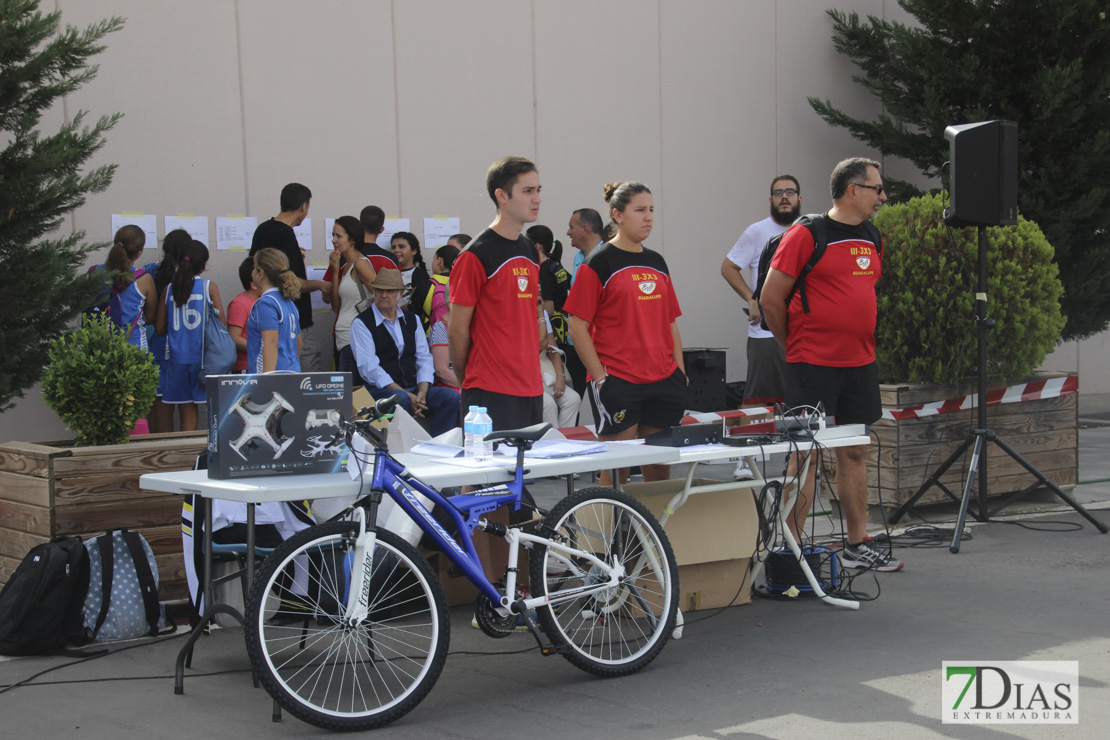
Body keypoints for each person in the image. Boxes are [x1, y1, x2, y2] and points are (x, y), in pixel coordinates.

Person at [760, 156, 902, 572]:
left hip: (860, 364)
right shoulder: (808, 232)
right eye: (877, 188)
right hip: (813, 365)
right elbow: (771, 299)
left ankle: (857, 544)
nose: (883, 196)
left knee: (854, 451)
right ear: (853, 189)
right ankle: (789, 551)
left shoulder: (872, 236)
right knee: (804, 455)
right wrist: (795, 348)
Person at [448, 156, 544, 586]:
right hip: (489, 391)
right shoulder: (476, 256)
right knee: (483, 494)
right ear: (501, 196)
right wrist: (474, 379)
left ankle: (516, 587)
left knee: (514, 496)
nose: (537, 198)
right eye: (527, 190)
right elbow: (457, 332)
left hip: (528, 389)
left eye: (539, 189)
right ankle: (487, 591)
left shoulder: (527, 249)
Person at [565, 182, 686, 484]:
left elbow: (670, 322)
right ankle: (607, 532)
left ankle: (650, 533)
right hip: (619, 380)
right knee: (618, 470)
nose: (648, 217)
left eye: (652, 210)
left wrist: (680, 373)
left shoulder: (657, 262)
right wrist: (601, 378)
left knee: (659, 471)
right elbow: (577, 327)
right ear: (617, 215)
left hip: (663, 379)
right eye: (640, 210)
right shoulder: (598, 262)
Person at [720, 174, 801, 480]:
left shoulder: (808, 229)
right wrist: (751, 298)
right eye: (778, 193)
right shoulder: (756, 232)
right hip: (766, 333)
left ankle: (802, 462)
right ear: (770, 200)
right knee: (757, 399)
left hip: (803, 332)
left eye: (790, 192)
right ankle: (743, 458)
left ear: (799, 198)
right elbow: (728, 267)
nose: (784, 197)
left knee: (802, 399)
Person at [350, 269, 459, 436]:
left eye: (390, 291)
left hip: (413, 387)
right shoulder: (362, 323)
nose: (384, 295)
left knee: (450, 398)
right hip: (379, 390)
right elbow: (370, 368)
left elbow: (423, 358)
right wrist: (406, 394)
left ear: (400, 294)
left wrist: (422, 392)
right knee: (400, 400)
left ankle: (441, 447)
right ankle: (398, 452)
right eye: (379, 290)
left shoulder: (412, 319)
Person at [249, 183, 330, 371]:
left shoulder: (263, 229)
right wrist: (320, 284)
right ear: (304, 206)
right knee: (307, 380)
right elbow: (292, 280)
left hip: (271, 323)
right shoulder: (285, 234)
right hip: (295, 322)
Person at [154, 239, 223, 431]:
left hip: (176, 359)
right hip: (202, 359)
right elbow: (221, 324)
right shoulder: (209, 287)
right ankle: (192, 458)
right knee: (195, 416)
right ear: (204, 265)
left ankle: (176, 458)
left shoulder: (169, 289)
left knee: (186, 409)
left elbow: (159, 328)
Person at [144, 229, 191, 432]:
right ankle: (171, 452)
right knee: (174, 402)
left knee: (156, 402)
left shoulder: (149, 271)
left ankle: (155, 448)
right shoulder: (188, 277)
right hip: (179, 346)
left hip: (154, 342)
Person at [88, 224, 157, 350]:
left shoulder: (93, 272)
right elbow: (151, 317)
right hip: (133, 348)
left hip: (99, 346)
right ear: (139, 253)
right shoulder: (143, 279)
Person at [564, 208, 605, 419]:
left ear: (585, 229)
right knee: (576, 400)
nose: (568, 232)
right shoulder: (579, 258)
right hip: (575, 343)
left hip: (598, 348)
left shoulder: (607, 258)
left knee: (604, 405)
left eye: (571, 227)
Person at [329, 216, 377, 384]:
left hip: (354, 338)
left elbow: (381, 295)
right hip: (343, 338)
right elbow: (336, 306)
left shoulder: (360, 264)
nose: (334, 240)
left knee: (349, 393)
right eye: (333, 235)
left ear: (353, 239)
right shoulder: (346, 265)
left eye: (339, 236)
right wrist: (335, 271)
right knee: (346, 392)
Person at [247, 248, 302, 373]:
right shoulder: (290, 303)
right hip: (293, 372)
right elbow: (299, 343)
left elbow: (271, 342)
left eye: (254, 268)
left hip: (272, 376)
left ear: (260, 273)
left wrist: (267, 379)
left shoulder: (266, 303)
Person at [540, 309, 581, 428]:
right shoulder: (516, 308)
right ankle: (553, 442)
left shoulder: (542, 312)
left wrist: (560, 377)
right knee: (548, 404)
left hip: (543, 368)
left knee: (573, 399)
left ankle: (563, 441)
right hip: (523, 373)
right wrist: (540, 315)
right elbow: (542, 343)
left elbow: (553, 349)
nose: (539, 289)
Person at [412, 243, 458, 336]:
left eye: (434, 259)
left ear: (439, 260)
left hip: (433, 338)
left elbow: (413, 315)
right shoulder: (463, 284)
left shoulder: (426, 286)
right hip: (458, 337)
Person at [226, 257, 261, 373]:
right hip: (246, 366)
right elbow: (234, 337)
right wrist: (261, 347)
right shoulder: (239, 304)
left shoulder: (266, 301)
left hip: (263, 363)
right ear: (254, 285)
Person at [390, 231, 429, 310]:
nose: (396, 250)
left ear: (414, 251)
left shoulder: (420, 275)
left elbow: (415, 304)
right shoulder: (388, 272)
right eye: (393, 247)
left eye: (401, 247)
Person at [359, 205, 401, 274]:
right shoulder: (391, 259)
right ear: (381, 230)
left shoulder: (347, 257)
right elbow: (397, 284)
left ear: (359, 226)